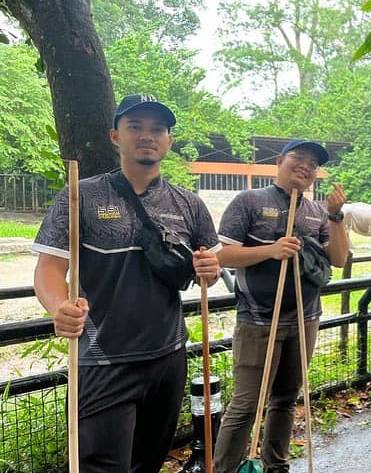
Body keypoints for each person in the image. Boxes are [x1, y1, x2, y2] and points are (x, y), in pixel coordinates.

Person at [33, 94, 221, 472]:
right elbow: (49, 269)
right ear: (115, 136)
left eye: (157, 129)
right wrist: (59, 307)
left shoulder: (189, 204)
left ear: (168, 140)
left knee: (148, 464)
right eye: (135, 126)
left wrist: (210, 269)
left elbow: (210, 270)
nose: (146, 135)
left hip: (167, 357)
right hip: (103, 360)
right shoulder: (81, 195)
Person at [213, 140, 349, 473]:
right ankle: (225, 468)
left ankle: (277, 465)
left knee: (286, 398)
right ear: (279, 161)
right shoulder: (249, 201)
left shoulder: (316, 211)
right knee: (247, 404)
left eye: (313, 164)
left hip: (305, 318)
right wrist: (271, 250)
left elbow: (339, 258)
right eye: (298, 158)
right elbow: (222, 255)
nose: (306, 166)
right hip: (258, 320)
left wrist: (336, 217)